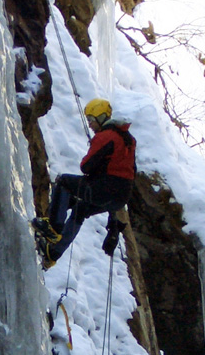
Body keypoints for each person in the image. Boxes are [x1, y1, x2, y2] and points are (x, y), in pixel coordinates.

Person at [34, 98, 136, 268]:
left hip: (106, 188)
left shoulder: (105, 137)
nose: (89, 125)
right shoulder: (128, 140)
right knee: (80, 208)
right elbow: (128, 171)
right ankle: (53, 253)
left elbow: (85, 166)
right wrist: (113, 225)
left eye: (91, 120)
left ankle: (53, 228)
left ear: (101, 118)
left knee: (64, 182)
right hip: (121, 195)